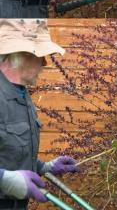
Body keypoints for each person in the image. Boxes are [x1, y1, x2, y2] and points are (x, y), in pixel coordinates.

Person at [0, 19, 81, 209]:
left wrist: (44, 167)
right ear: (18, 55)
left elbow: (8, 150)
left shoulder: (21, 94)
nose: (45, 63)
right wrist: (4, 178)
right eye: (40, 55)